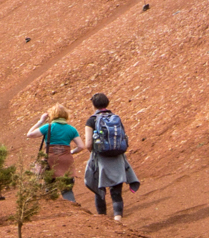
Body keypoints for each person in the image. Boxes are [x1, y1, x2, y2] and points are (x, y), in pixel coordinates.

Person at [82, 93, 138, 221]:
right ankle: (118, 220)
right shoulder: (115, 118)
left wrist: (94, 152)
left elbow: (88, 143)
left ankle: (103, 220)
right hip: (117, 157)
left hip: (101, 158)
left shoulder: (92, 120)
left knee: (99, 190)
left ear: (93, 105)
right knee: (116, 191)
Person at [29, 104, 81, 202]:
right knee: (67, 190)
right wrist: (71, 152)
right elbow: (81, 146)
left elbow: (30, 134)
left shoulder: (48, 127)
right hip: (66, 161)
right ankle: (73, 211)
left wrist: (40, 121)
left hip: (51, 160)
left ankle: (51, 211)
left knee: (49, 188)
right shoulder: (71, 129)